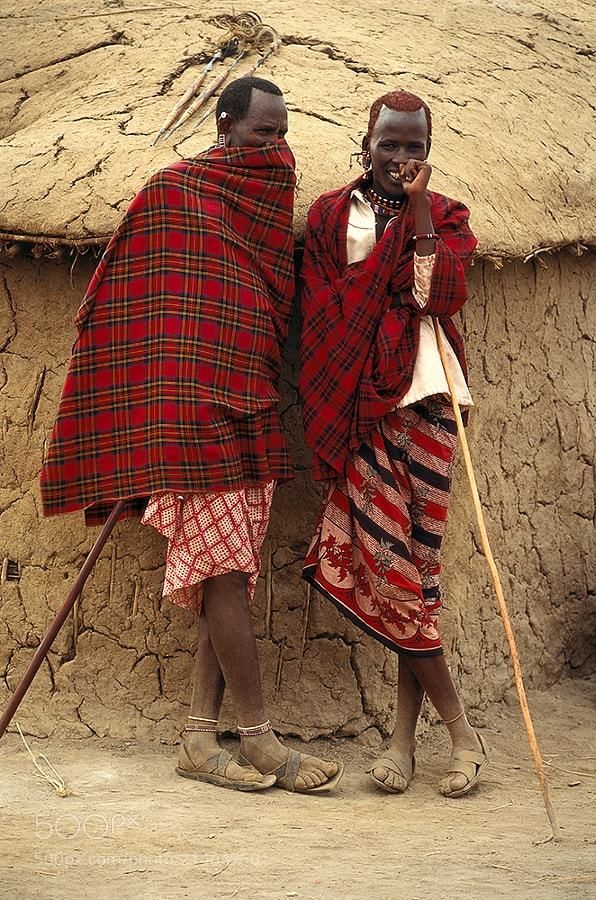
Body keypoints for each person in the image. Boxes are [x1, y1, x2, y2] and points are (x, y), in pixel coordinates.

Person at [40, 76, 342, 794]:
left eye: (281, 134)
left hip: (252, 406)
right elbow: (127, 296)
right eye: (261, 133)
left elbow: (265, 290)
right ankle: (262, 739)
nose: (275, 147)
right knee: (227, 577)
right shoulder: (175, 193)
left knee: (226, 575)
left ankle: (199, 741)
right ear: (224, 125)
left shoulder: (267, 204)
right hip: (190, 419)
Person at [300, 90, 488, 798]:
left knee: (420, 579)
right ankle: (461, 732)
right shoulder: (328, 216)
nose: (402, 158)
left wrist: (416, 217)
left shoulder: (446, 216)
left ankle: (406, 742)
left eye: (414, 147)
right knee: (392, 572)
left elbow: (437, 299)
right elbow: (323, 314)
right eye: (390, 143)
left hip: (427, 406)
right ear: (366, 140)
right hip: (361, 414)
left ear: (426, 151)